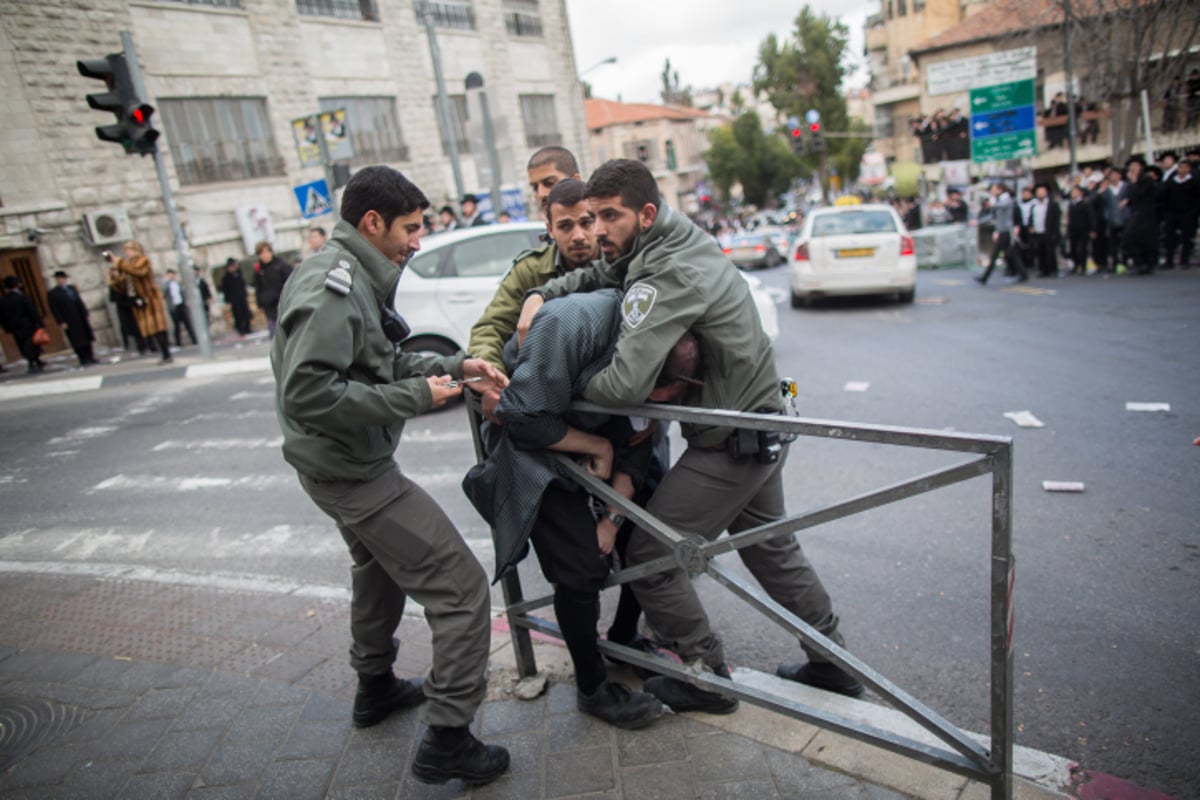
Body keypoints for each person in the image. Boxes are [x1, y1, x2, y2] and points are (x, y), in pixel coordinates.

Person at [516, 159, 861, 714]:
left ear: (645, 214)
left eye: (610, 216)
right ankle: (835, 664)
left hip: (732, 439)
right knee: (773, 549)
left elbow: (623, 384)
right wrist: (541, 295)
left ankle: (705, 677)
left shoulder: (668, 271)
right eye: (592, 216)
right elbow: (604, 276)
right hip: (760, 424)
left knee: (653, 557)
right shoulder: (657, 245)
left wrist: (566, 389)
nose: (598, 229)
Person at [271, 165, 510, 787]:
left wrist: (459, 367)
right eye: (409, 228)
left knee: (378, 569)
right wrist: (411, 400)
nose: (417, 241)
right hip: (353, 471)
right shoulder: (334, 283)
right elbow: (309, 393)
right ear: (371, 222)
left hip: (341, 463)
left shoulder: (351, 275)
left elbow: (381, 359)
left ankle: (374, 687)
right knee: (460, 589)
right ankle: (449, 739)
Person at [463, 289, 665, 731]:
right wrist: (489, 370)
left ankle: (625, 636)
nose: (583, 232)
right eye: (568, 221)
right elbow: (517, 412)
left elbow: (639, 440)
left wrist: (613, 519)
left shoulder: (649, 334)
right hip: (534, 449)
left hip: (598, 441)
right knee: (578, 566)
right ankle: (592, 686)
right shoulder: (566, 313)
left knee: (649, 537)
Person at [107, 240, 173, 363]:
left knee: (158, 327)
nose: (127, 253)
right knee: (150, 328)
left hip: (150, 298)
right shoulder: (127, 265)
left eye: (129, 250)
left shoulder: (143, 260)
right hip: (139, 300)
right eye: (126, 250)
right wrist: (114, 274)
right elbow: (122, 284)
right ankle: (162, 352)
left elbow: (138, 271)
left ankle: (166, 353)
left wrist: (119, 263)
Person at [976, 183, 1027, 285]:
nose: (992, 191)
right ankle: (1023, 274)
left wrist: (991, 204)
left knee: (995, 254)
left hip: (1006, 231)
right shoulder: (999, 200)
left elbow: (1003, 205)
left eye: (993, 189)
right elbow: (993, 216)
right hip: (1002, 231)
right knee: (1011, 254)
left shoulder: (1006, 199)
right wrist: (979, 221)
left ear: (1000, 189)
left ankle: (985, 277)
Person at [47, 270, 97, 366]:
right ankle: (82, 358)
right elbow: (55, 309)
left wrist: (85, 313)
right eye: (58, 279)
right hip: (68, 319)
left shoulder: (71, 289)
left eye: (62, 278)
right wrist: (61, 321)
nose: (60, 280)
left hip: (80, 317)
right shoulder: (53, 293)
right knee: (76, 339)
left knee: (86, 336)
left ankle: (90, 356)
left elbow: (79, 301)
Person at [0, 276, 48, 373]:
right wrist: (39, 322)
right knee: (31, 343)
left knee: (22, 343)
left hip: (15, 327)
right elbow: (32, 311)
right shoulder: (22, 297)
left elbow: (2, 316)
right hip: (27, 325)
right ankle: (32, 362)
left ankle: (36, 361)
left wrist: (7, 328)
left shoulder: (3, 300)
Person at [1121, 156, 1158, 275]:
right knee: (1129, 239)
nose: (1132, 169)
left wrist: (1133, 182)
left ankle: (1148, 264)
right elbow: (1132, 196)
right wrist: (1127, 201)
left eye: (1135, 166)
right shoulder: (1131, 181)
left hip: (1147, 214)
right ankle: (1139, 263)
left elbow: (1140, 193)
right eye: (1131, 167)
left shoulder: (1146, 179)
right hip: (1136, 213)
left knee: (1146, 240)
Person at [1162, 158, 1198, 270]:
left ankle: (1184, 260)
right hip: (1172, 214)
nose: (1182, 170)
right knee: (1170, 237)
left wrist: (1193, 212)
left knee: (1186, 238)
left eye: (1185, 167)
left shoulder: (1194, 182)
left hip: (1188, 214)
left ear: (1189, 169)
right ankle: (1169, 260)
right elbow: (1165, 197)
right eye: (1180, 167)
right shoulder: (1171, 181)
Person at [252, 241, 293, 338]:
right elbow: (258, 287)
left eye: (267, 252)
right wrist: (260, 302)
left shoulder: (281, 265)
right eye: (262, 253)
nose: (265, 255)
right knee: (274, 334)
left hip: (282, 302)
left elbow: (291, 280)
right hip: (269, 305)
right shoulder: (259, 269)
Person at [1029, 184, 1061, 277]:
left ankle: (1053, 270)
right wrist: (1031, 226)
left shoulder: (1052, 204)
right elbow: (1031, 218)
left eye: (1042, 191)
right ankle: (1043, 270)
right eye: (1038, 192)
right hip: (1037, 231)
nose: (1040, 193)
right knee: (1040, 251)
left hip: (1048, 231)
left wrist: (1055, 232)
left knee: (1050, 251)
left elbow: (1056, 219)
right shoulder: (1034, 205)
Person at [162, 269, 198, 348]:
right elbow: (163, 293)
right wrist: (165, 281)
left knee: (188, 323)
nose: (171, 276)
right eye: (170, 274)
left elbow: (183, 293)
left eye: (172, 274)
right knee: (176, 326)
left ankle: (194, 340)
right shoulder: (166, 284)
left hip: (181, 305)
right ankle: (178, 343)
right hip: (173, 307)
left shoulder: (177, 283)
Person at [1065, 185, 1096, 275]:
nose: (1073, 194)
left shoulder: (1085, 203)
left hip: (1084, 229)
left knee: (1083, 248)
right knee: (1072, 248)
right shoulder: (1071, 204)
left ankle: (1083, 266)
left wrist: (1092, 229)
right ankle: (1076, 264)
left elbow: (1091, 217)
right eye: (1072, 192)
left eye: (1075, 192)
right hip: (1073, 229)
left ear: (1080, 193)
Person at [220, 258, 253, 336]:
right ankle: (241, 329)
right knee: (238, 315)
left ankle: (248, 328)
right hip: (234, 300)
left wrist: (245, 294)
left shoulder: (238, 274)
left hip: (242, 297)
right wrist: (228, 301)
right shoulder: (226, 279)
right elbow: (226, 291)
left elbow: (242, 285)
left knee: (246, 313)